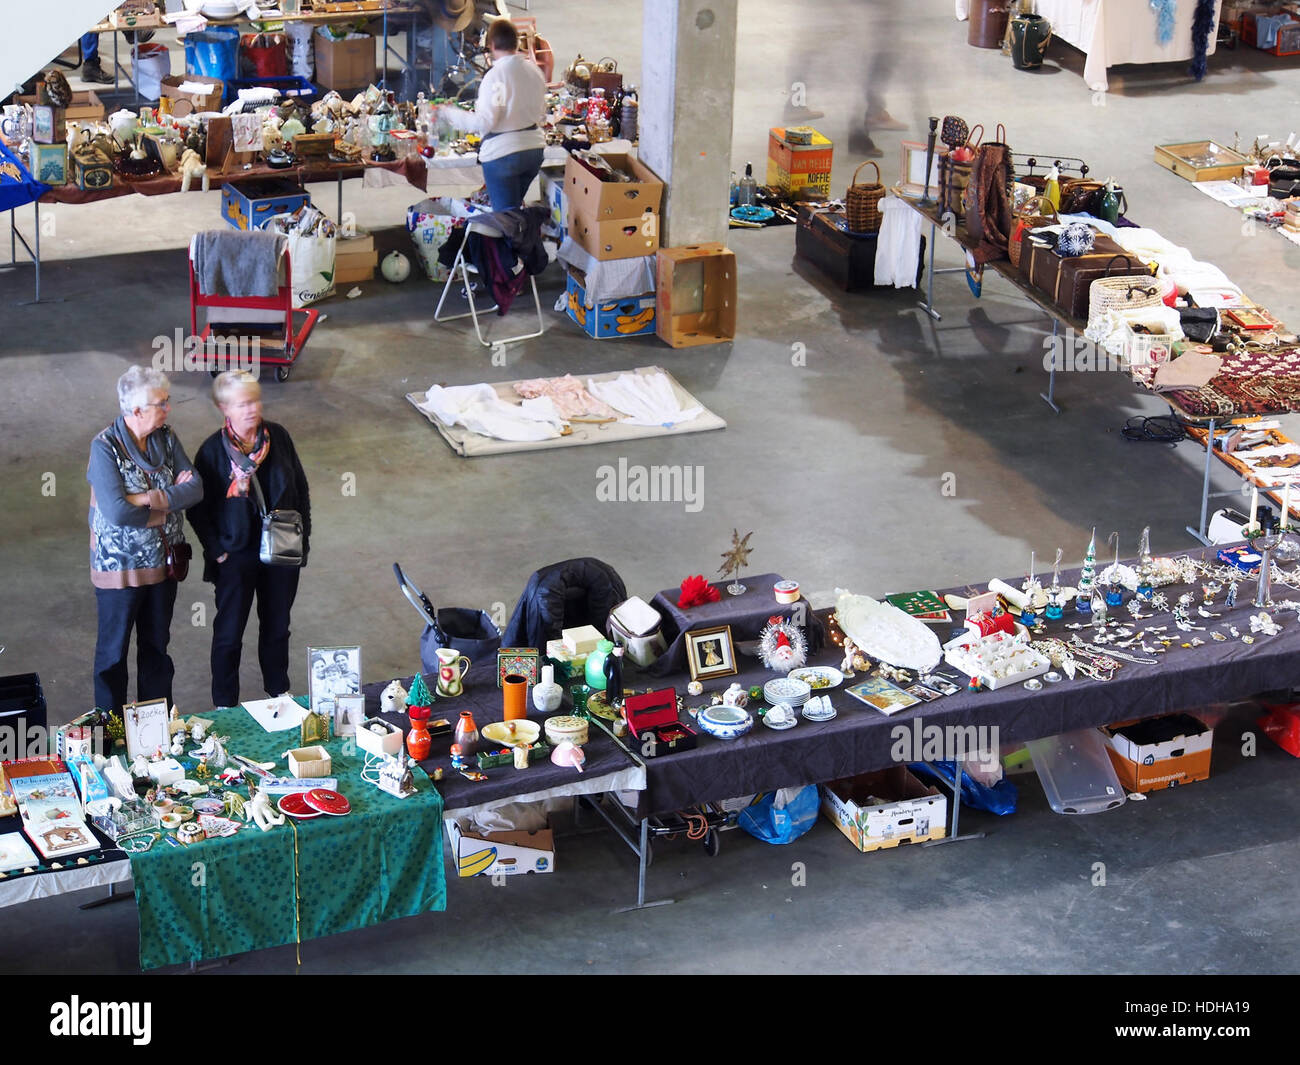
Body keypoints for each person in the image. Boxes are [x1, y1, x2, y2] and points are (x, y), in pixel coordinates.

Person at [188, 371, 311, 711]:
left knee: (277, 628)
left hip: (281, 552)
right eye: (242, 404)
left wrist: (303, 545)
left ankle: (278, 693)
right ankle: (225, 704)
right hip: (236, 556)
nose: (252, 409)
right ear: (223, 407)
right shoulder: (212, 452)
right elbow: (198, 511)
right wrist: (218, 552)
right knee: (229, 634)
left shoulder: (279, 438)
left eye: (255, 400)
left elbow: (300, 491)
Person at [87, 366, 203, 713]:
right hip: (118, 570)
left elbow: (195, 488)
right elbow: (117, 513)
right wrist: (168, 498)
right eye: (161, 403)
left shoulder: (165, 438)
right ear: (136, 411)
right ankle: (109, 736)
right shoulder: (104, 447)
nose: (169, 408)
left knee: (156, 650)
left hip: (163, 566)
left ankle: (153, 735)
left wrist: (145, 498)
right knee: (113, 655)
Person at [436, 18, 546, 210]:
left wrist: (449, 114)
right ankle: (522, 236)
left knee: (506, 219)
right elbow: (542, 113)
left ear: (492, 45)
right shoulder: (534, 71)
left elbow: (485, 122)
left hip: (504, 155)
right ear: (517, 42)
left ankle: (513, 239)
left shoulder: (495, 76)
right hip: (534, 151)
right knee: (514, 213)